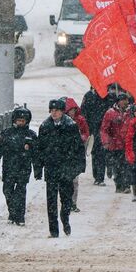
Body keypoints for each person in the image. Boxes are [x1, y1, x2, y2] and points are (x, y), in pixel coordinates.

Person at [34, 98, 85, 238]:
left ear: (62, 111)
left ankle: (65, 218)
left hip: (66, 167)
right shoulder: (45, 126)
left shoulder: (71, 125)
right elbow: (40, 149)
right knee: (51, 200)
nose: (54, 113)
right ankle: (53, 229)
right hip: (51, 167)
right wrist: (38, 168)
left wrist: (79, 165)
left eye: (57, 110)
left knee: (66, 197)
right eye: (52, 110)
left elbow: (78, 147)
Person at [0, 106, 37, 225]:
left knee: (20, 192)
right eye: (18, 120)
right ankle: (12, 212)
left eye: (23, 120)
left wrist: (38, 169)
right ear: (14, 120)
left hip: (24, 168)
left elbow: (37, 154)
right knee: (7, 190)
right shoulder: (6, 134)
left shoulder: (31, 135)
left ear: (27, 121)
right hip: (9, 167)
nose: (20, 122)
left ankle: (20, 217)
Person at [81, 84, 114, 186]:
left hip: (105, 128)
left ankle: (101, 176)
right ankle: (97, 176)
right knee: (95, 152)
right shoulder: (88, 96)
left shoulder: (109, 97)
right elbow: (83, 111)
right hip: (92, 128)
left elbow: (112, 110)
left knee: (103, 152)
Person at [101, 93, 132, 193]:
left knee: (127, 165)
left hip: (128, 144)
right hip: (115, 145)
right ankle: (119, 185)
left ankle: (127, 185)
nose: (124, 102)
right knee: (117, 166)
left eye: (125, 100)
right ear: (118, 102)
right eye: (121, 100)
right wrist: (106, 141)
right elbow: (104, 129)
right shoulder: (110, 113)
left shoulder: (132, 112)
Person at [63, 97, 90, 212]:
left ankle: (73, 202)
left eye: (73, 110)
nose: (71, 112)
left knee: (74, 180)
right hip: (66, 154)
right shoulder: (63, 121)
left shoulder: (81, 120)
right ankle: (67, 201)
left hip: (76, 154)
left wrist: (81, 138)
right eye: (69, 110)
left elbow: (86, 133)